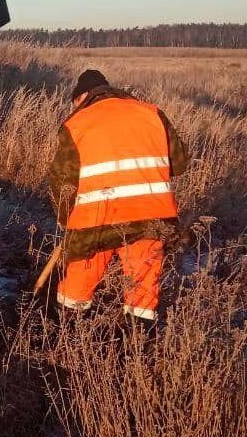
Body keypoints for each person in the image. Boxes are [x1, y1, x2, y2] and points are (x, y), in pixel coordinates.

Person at [48, 69, 188, 323]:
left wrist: (66, 218)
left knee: (79, 282)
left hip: (96, 219)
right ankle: (137, 347)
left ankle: (69, 336)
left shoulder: (76, 124)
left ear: (82, 97)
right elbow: (179, 163)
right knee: (143, 288)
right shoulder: (152, 113)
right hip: (152, 215)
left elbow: (62, 180)